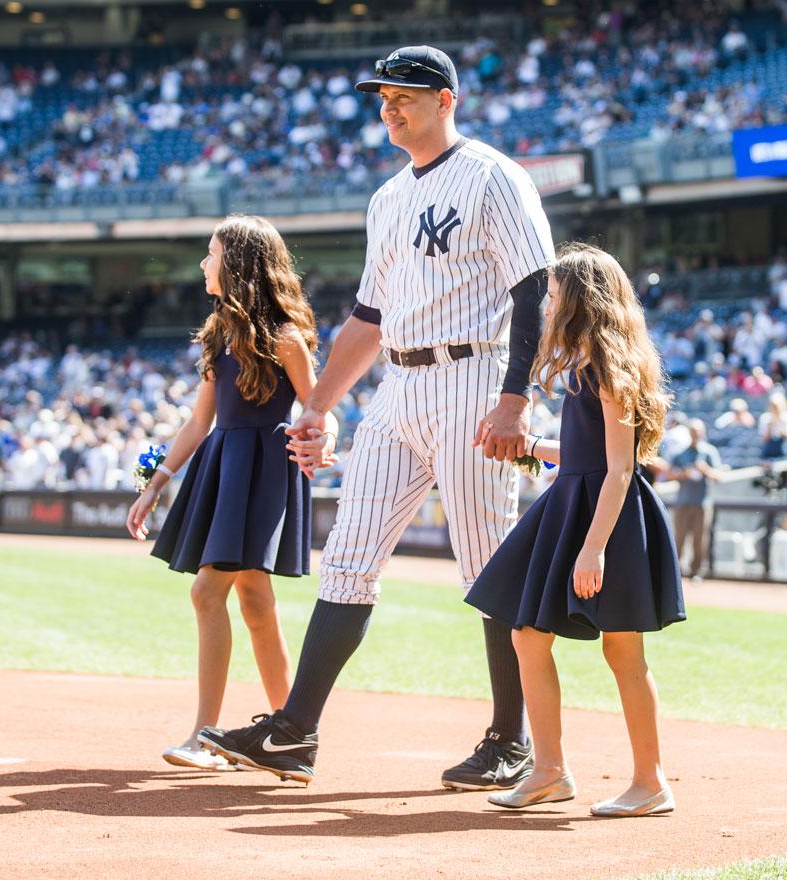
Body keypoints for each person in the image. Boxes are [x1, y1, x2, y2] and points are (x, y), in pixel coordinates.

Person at [200, 45, 555, 789]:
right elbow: (367, 316)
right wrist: (318, 405)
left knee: (490, 565)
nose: (391, 106)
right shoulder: (387, 197)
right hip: (399, 385)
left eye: (407, 95)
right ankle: (295, 731)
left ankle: (510, 739)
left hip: (472, 377)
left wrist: (515, 398)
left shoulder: (494, 176)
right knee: (350, 557)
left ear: (446, 100)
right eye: (384, 95)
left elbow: (535, 289)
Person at [464, 243, 684, 816]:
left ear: (579, 300)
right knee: (527, 635)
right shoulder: (586, 362)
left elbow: (618, 470)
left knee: (623, 651)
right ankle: (550, 772)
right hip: (574, 501)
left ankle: (650, 782)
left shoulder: (608, 367)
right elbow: (587, 454)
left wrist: (593, 550)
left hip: (603, 517)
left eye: (553, 294)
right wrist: (528, 449)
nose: (545, 304)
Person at [126, 215, 337, 772]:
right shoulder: (220, 330)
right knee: (256, 603)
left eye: (211, 253)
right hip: (225, 462)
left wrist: (326, 437)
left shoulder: (286, 336)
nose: (203, 263)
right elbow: (198, 422)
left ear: (238, 264)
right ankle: (290, 737)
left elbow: (319, 408)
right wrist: (154, 485)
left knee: (206, 592)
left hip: (265, 467)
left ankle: (203, 735)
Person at [667, 419, 722, 579]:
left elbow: (719, 476)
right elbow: (669, 474)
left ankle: (696, 571)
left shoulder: (709, 452)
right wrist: (684, 474)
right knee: (679, 538)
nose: (695, 435)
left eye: (698, 432)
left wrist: (705, 470)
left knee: (700, 540)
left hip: (702, 503)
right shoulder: (680, 452)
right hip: (683, 502)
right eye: (693, 432)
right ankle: (675, 572)